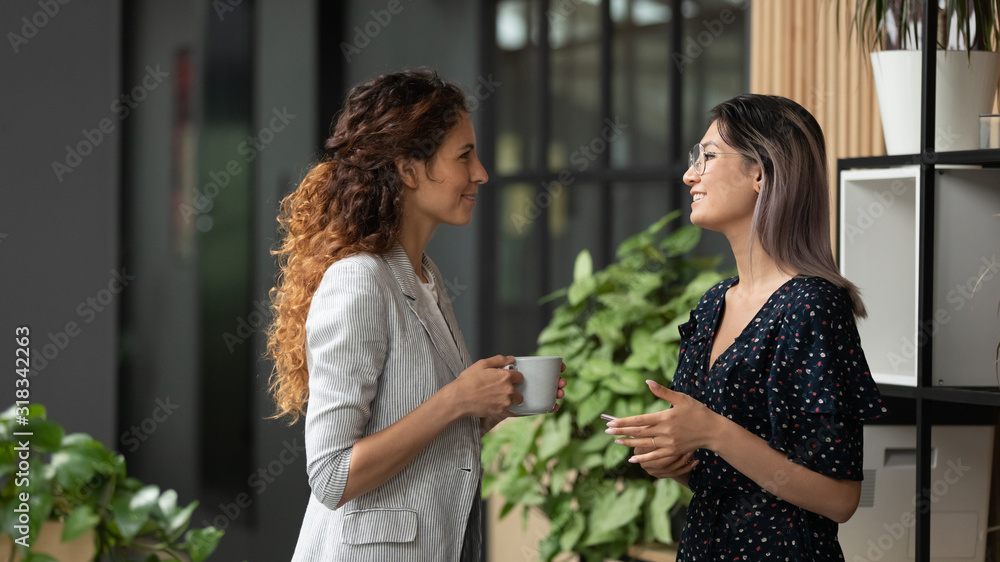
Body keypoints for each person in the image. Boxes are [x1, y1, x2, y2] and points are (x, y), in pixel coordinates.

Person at [265, 70, 565, 561]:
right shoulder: (360, 280)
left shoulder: (422, 276)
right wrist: (457, 399)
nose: (481, 173)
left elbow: (418, 426)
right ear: (408, 169)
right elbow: (332, 475)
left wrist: (492, 402)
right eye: (465, 156)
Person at [604, 94, 886, 560]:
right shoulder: (714, 303)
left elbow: (840, 499)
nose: (690, 174)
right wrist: (674, 461)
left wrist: (712, 432)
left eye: (708, 156)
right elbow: (722, 473)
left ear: (761, 172)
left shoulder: (812, 306)